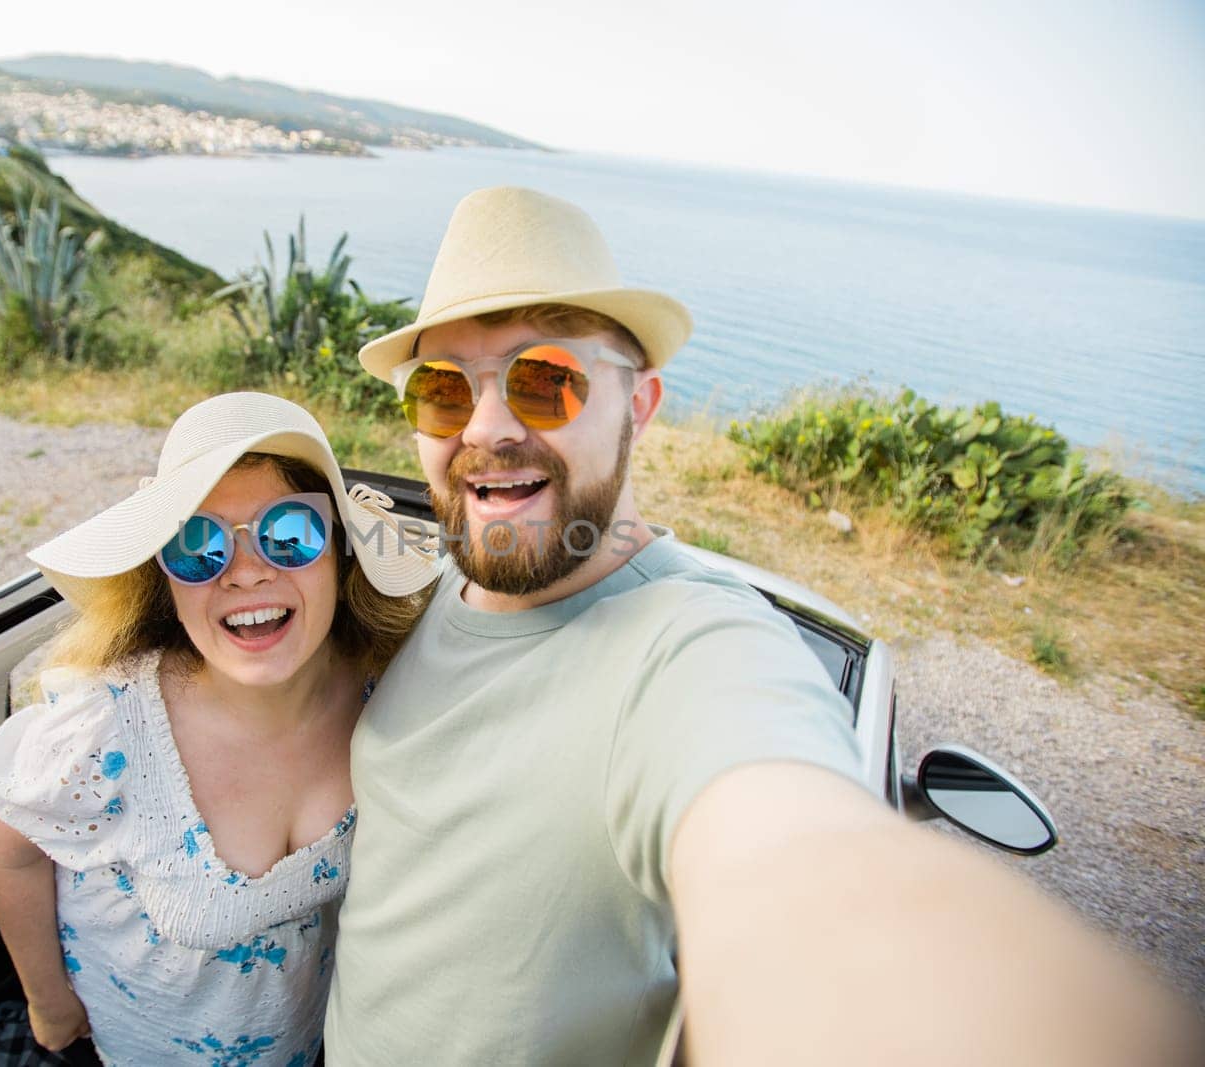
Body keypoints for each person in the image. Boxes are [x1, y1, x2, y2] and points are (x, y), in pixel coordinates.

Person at [323, 187, 1204, 1066]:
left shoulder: (692, 648)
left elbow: (805, 873)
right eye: (442, 390)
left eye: (545, 380)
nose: (485, 426)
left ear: (639, 405)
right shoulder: (431, 586)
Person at [0, 392, 437, 1066]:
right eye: (198, 545)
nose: (248, 571)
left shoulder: (389, 690)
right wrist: (48, 1001)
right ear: (166, 581)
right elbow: (14, 847)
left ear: (340, 550)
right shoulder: (105, 733)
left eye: (290, 532)